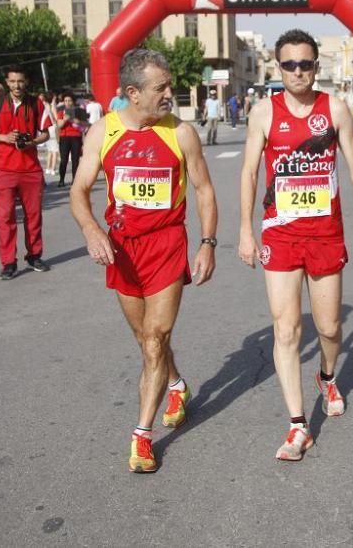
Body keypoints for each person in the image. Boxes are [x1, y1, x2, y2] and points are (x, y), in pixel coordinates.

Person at [239, 28, 353, 461]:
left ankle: (327, 375)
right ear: (278, 66)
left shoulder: (335, 109)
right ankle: (297, 424)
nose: (298, 72)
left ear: (316, 66)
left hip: (325, 234)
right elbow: (249, 173)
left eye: (306, 64)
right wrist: (247, 231)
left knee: (328, 328)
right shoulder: (264, 113)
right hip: (280, 233)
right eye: (289, 65)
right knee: (286, 330)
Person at [70, 48, 218, 473]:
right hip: (123, 249)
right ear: (133, 93)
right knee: (145, 338)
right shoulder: (104, 132)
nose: (170, 93)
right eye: (162, 88)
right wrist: (92, 230)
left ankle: (142, 437)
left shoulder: (182, 133)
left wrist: (207, 242)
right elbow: (80, 191)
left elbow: (205, 190)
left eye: (169, 85)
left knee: (156, 337)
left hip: (167, 243)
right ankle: (177, 384)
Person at [0, 65, 53, 279]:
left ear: (26, 81)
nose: (16, 85)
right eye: (12, 81)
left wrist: (31, 141)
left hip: (30, 170)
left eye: (20, 81)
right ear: (7, 82)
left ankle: (34, 255)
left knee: (33, 216)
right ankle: (8, 262)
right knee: (5, 217)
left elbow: (46, 133)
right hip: (4, 169)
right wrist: (5, 137)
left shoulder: (36, 103)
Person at [56, 93, 85, 187]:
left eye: (69, 101)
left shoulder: (79, 111)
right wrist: (65, 120)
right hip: (64, 137)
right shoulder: (61, 111)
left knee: (75, 160)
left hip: (76, 136)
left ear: (73, 101)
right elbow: (59, 125)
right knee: (63, 160)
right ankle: (61, 180)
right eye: (66, 101)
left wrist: (76, 121)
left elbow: (84, 124)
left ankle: (75, 180)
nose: (67, 103)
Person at [42, 92, 60, 176]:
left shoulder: (43, 106)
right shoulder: (52, 106)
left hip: (46, 128)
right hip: (53, 128)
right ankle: (53, 168)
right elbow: (56, 118)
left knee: (49, 150)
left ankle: (48, 168)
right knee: (55, 150)